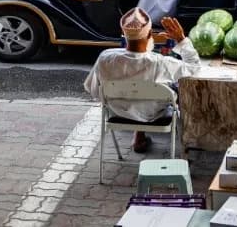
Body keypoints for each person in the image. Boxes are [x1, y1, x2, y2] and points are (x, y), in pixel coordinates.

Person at [83, 9, 199, 153]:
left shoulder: (105, 58)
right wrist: (181, 39)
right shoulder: (161, 63)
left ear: (123, 34)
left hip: (118, 113)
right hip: (154, 115)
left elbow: (94, 91)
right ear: (150, 35)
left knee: (138, 91)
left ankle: (139, 134)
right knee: (175, 87)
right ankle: (188, 143)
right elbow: (194, 68)